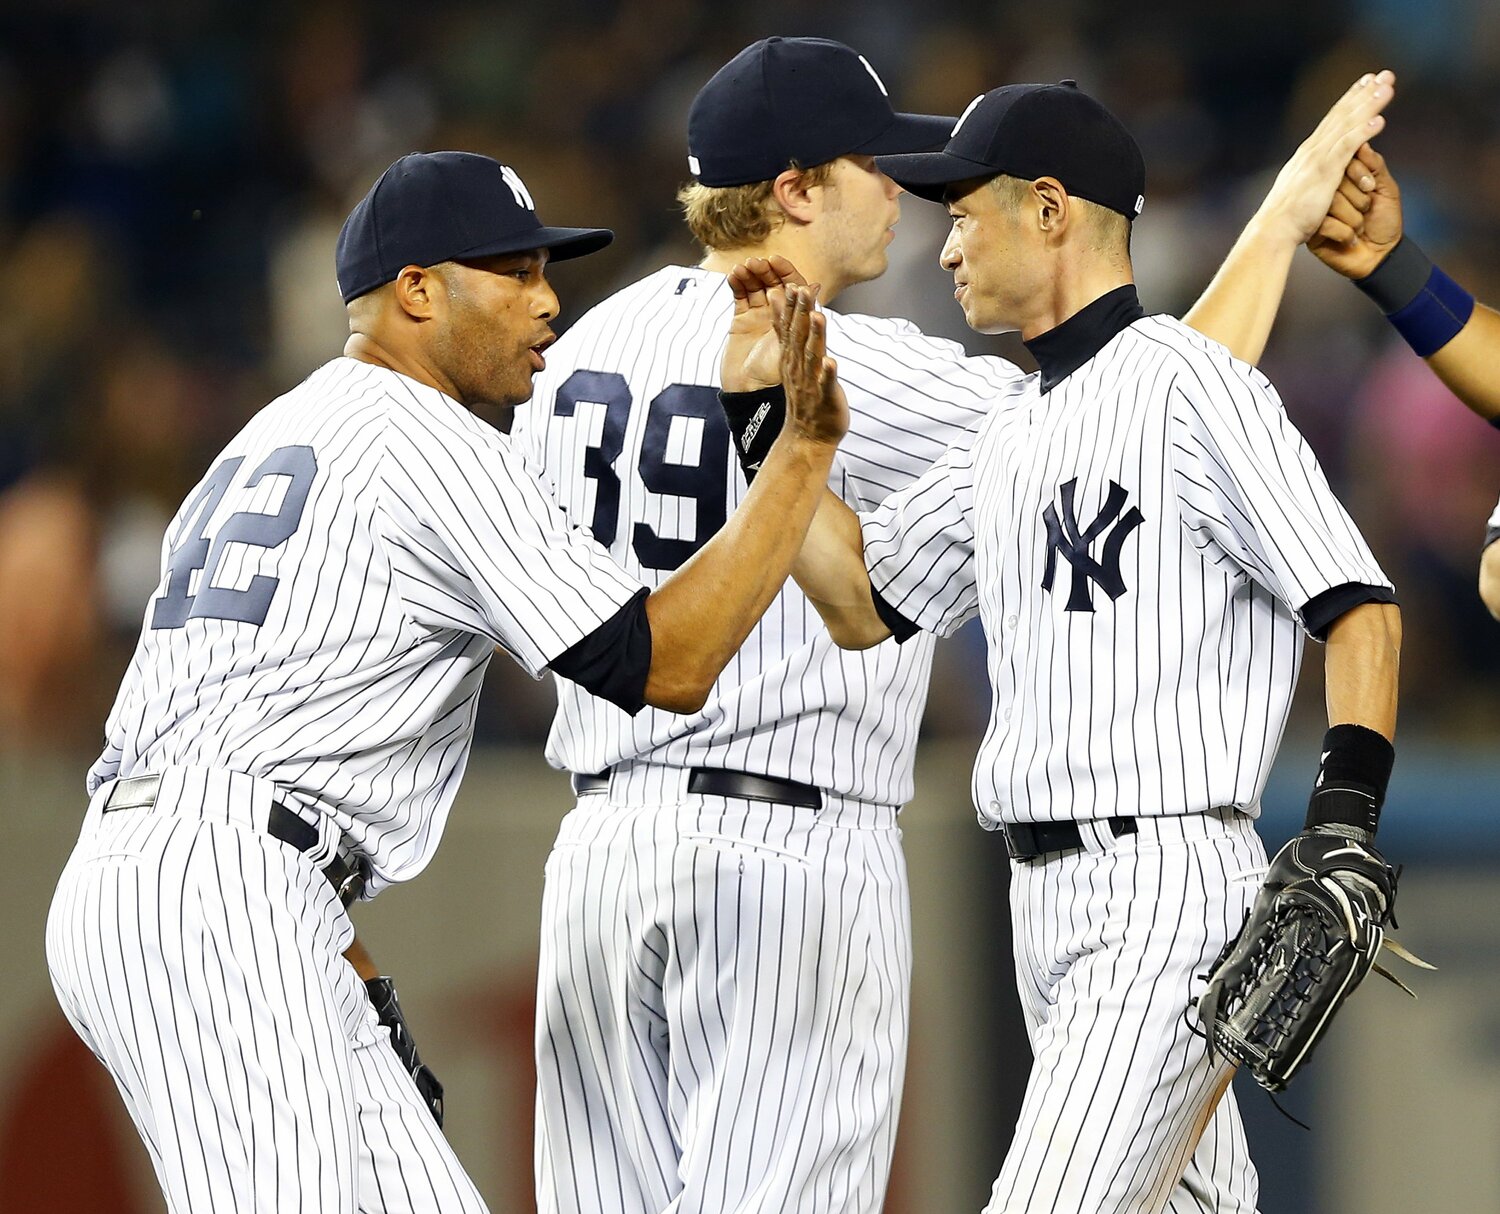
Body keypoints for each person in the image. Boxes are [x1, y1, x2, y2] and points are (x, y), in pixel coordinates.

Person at [510, 35, 1396, 1214]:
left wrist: (1344, 812)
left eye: (956, 204)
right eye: (884, 169)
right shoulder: (902, 375)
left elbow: (1147, 398)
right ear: (794, 189)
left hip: (605, 847)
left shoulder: (571, 357)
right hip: (808, 848)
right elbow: (903, 565)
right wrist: (1276, 224)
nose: (923, 218)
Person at [42, 150, 847, 1213]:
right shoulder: (425, 434)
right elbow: (664, 664)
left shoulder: (271, 433)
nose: (548, 300)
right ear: (417, 289)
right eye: (513, 272)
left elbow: (270, 749)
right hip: (217, 891)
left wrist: (360, 980)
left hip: (210, 877)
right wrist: (797, 456)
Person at [772, 80, 1402, 1214]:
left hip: (1161, 889)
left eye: (964, 212)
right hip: (1044, 903)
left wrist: (1345, 817)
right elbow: (862, 602)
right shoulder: (1010, 427)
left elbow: (1357, 601)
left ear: (1051, 209)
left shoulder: (1191, 383)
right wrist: (783, 440)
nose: (946, 243)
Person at [1307, 142, 1500, 617]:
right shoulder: (1397, 369)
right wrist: (1388, 266)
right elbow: (1372, 461)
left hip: (1460, 542)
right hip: (1421, 547)